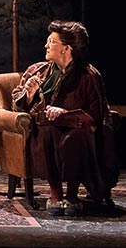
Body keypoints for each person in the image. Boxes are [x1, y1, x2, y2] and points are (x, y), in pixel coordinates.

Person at [12, 20, 118, 217]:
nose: (46, 45)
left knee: (76, 137)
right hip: (46, 129)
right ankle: (55, 194)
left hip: (79, 131)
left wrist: (64, 113)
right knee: (47, 130)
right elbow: (19, 105)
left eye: (52, 42)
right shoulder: (39, 71)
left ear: (66, 49)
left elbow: (96, 115)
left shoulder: (88, 76)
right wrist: (30, 94)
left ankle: (71, 195)